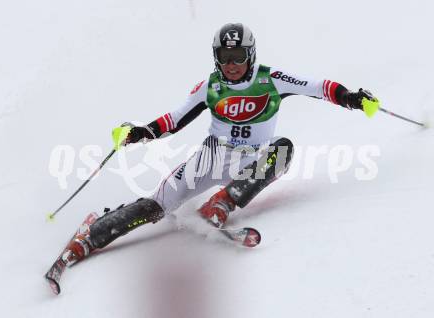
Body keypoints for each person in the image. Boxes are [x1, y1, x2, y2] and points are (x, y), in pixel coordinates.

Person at [64, 23, 379, 264]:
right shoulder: (210, 86)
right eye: (224, 57)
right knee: (154, 206)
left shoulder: (271, 79)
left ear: (250, 54)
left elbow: (319, 87)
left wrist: (352, 98)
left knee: (282, 149)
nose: (231, 64)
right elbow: (173, 120)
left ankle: (220, 204)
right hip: (210, 159)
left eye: (237, 56)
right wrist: (139, 132)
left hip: (251, 161)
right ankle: (90, 236)